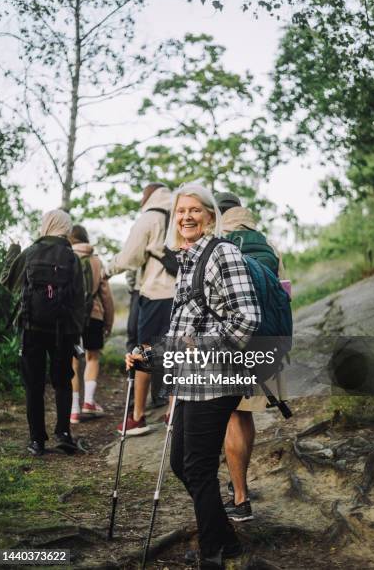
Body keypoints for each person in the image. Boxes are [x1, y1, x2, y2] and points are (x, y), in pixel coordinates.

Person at [127, 184, 261, 569]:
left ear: (210, 216)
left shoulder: (223, 254)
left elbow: (246, 320)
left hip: (216, 378)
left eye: (195, 210)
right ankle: (225, 541)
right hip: (191, 380)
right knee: (182, 466)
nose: (186, 217)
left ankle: (213, 555)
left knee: (198, 467)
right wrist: (148, 354)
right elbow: (182, 329)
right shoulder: (188, 259)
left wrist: (198, 348)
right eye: (181, 211)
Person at [215, 191, 287, 522]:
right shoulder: (269, 247)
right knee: (246, 415)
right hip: (267, 342)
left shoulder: (218, 243)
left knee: (232, 416)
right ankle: (238, 483)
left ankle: (240, 497)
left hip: (230, 344)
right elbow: (285, 296)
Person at [0, 209, 85, 456]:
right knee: (62, 382)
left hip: (31, 327)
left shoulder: (31, 252)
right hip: (63, 331)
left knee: (34, 385)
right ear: (66, 228)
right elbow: (80, 299)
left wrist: (12, 251)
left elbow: (8, 281)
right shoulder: (71, 257)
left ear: (46, 225)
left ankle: (37, 441)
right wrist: (75, 334)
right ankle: (64, 434)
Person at [105, 183, 175, 435]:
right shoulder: (181, 213)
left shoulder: (150, 217)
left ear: (147, 196)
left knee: (144, 351)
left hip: (156, 293)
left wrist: (106, 270)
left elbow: (129, 258)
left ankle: (137, 417)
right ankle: (172, 413)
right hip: (184, 295)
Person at [69, 224, 114, 424]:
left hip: (71, 317)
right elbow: (106, 295)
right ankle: (88, 402)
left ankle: (73, 410)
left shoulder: (66, 258)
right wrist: (109, 322)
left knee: (73, 361)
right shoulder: (96, 261)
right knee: (92, 357)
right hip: (94, 316)